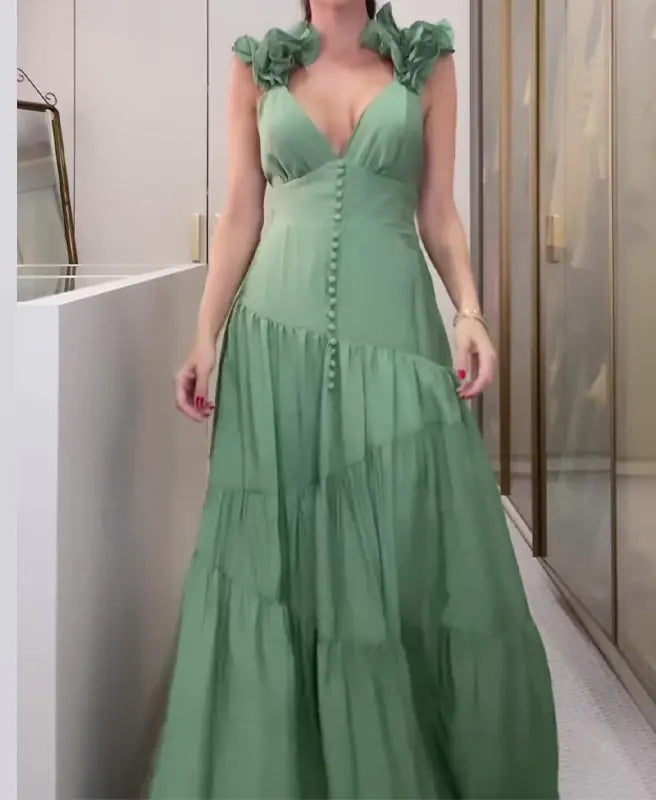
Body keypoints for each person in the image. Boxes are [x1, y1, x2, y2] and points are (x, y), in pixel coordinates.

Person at [151, 1, 559, 797]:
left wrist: (470, 311)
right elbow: (242, 212)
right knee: (280, 557)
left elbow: (438, 209)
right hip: (274, 339)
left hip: (396, 332)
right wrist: (206, 334)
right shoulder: (257, 65)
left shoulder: (425, 61)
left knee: (405, 541)